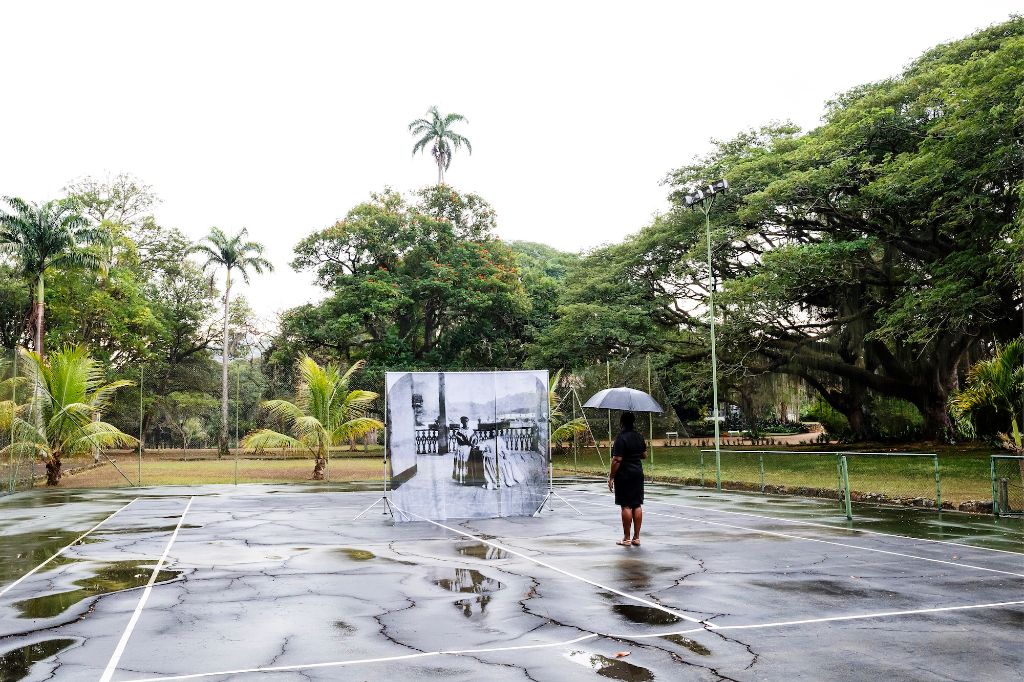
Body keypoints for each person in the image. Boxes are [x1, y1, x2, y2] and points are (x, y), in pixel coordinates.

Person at [607, 412, 647, 546]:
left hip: (624, 475)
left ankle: (627, 538)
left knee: (626, 505)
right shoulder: (639, 436)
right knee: (637, 504)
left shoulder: (621, 438)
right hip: (637, 473)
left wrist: (611, 476)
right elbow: (644, 455)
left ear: (621, 423)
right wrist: (634, 454)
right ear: (633, 422)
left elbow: (617, 459)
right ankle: (636, 538)